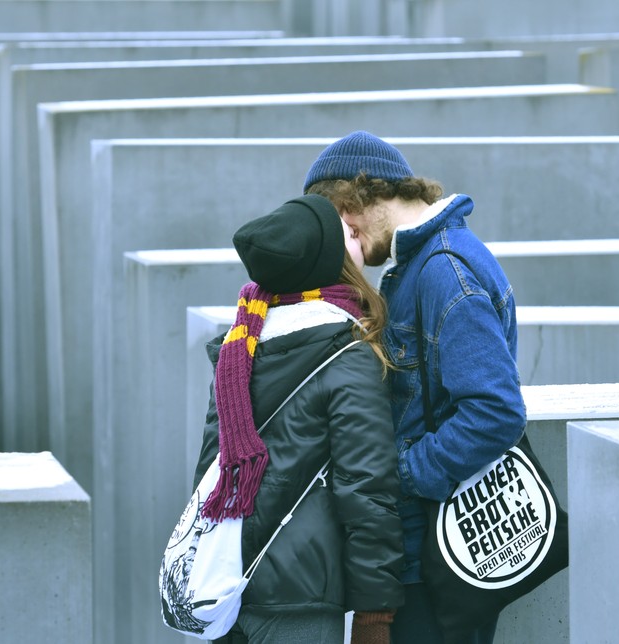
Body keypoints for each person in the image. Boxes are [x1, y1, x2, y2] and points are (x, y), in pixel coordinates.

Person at [303, 131, 527, 643]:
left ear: (350, 203)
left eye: (332, 223)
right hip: (426, 550)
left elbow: (496, 412)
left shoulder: (445, 270)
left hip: (436, 557)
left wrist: (398, 473)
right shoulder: (422, 265)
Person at [192, 194, 405, 644]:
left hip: (228, 590)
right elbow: (366, 489)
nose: (357, 238)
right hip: (301, 598)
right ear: (327, 260)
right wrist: (374, 614)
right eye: (345, 233)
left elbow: (208, 475)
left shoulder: (239, 350)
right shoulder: (348, 356)